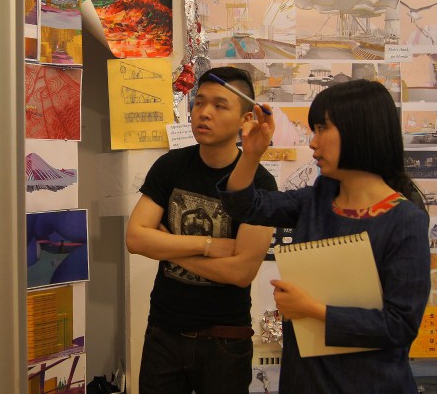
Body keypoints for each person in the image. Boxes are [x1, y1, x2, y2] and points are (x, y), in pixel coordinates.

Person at [219, 79, 430, 393]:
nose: (313, 143)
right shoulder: (318, 199)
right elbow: (244, 205)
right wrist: (251, 154)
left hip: (369, 383)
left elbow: (399, 326)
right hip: (305, 380)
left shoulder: (404, 220)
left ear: (360, 130)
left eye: (322, 129)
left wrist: (311, 309)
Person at [126, 66, 278, 394]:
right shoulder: (171, 166)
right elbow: (135, 238)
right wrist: (208, 245)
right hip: (164, 331)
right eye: (199, 102)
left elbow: (241, 272)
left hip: (224, 339)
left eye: (219, 105)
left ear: (246, 119)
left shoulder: (260, 183)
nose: (204, 113)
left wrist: (169, 246)